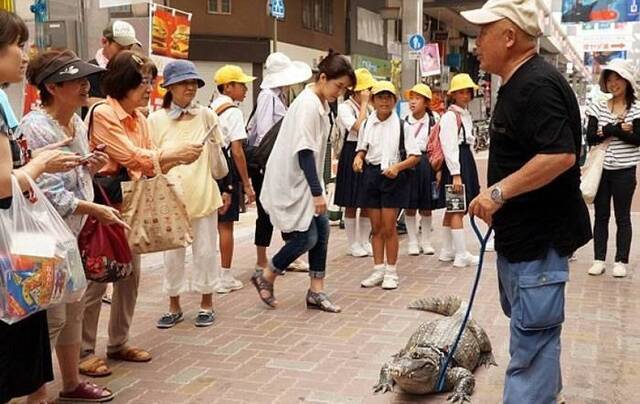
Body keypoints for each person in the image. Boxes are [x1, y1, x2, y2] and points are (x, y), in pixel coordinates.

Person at [462, 0, 591, 402]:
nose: (476, 43)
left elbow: (559, 155)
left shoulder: (536, 84)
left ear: (510, 36)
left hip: (539, 243)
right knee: (533, 334)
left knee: (531, 345)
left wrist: (497, 192)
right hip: (522, 244)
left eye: (483, 33)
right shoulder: (519, 83)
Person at [80, 51, 203, 376]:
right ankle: (83, 351)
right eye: (144, 81)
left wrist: (160, 158)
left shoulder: (141, 117)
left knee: (130, 278)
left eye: (151, 81)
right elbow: (133, 157)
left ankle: (118, 342)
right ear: (124, 82)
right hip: (104, 208)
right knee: (97, 279)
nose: (150, 88)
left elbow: (146, 158)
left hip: (131, 206)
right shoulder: (103, 113)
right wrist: (172, 156)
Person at [20, 49, 122, 402]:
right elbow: (45, 192)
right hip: (43, 237)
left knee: (73, 310)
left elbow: (72, 174)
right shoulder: (34, 128)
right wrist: (94, 209)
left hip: (71, 235)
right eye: (75, 80)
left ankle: (70, 382)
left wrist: (90, 164)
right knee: (50, 318)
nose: (84, 85)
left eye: (84, 79)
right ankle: (37, 393)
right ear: (51, 87)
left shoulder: (76, 121)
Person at [0, 10, 86, 404]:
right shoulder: (23, 117)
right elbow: (3, 182)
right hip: (11, 242)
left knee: (35, 329)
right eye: (18, 45)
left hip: (18, 238)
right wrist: (39, 165)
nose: (24, 55)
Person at [250, 50, 355, 312]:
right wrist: (317, 192)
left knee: (322, 231)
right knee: (305, 238)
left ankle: (315, 291)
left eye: (343, 89)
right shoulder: (308, 104)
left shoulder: (317, 102)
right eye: (338, 86)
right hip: (294, 182)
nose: (339, 93)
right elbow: (305, 151)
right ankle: (267, 274)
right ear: (322, 78)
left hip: (303, 182)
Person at [148, 60, 228, 328]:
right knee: (172, 256)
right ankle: (174, 305)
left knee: (205, 251)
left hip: (203, 194)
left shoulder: (207, 116)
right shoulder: (155, 120)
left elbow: (219, 159)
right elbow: (150, 159)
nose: (190, 87)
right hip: (170, 200)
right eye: (184, 82)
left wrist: (226, 189)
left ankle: (207, 303)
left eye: (193, 82)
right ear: (169, 86)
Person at [248, 52, 312, 274]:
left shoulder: (280, 96)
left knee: (285, 206)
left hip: (277, 160)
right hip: (267, 162)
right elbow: (266, 132)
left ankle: (289, 254)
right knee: (265, 211)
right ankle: (261, 260)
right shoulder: (268, 97)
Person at [353, 81, 421, 290]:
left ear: (394, 101)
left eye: (388, 97)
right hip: (371, 175)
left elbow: (415, 156)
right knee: (376, 228)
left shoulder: (403, 126)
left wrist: (397, 168)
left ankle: (391, 271)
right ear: (373, 100)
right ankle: (377, 269)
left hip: (392, 176)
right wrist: (359, 157)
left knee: (389, 226)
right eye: (380, 97)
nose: (384, 101)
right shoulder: (367, 123)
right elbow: (362, 148)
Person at [585, 59, 640, 278]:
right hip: (601, 171)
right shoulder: (597, 106)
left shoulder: (636, 108)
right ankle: (599, 259)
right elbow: (590, 137)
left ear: (626, 80)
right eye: (609, 79)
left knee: (623, 216)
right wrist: (618, 129)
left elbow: (637, 139)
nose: (613, 83)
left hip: (625, 170)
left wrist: (608, 130)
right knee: (601, 215)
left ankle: (621, 260)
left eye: (618, 78)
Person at [210, 65, 257, 293]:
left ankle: (209, 274)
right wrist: (247, 184)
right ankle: (225, 277)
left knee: (209, 224)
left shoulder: (209, 108)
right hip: (225, 170)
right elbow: (237, 150)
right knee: (225, 225)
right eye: (241, 85)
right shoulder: (234, 112)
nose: (245, 89)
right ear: (228, 87)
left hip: (207, 171)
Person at [437, 74, 481, 267]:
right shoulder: (450, 117)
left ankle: (447, 251)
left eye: (468, 92)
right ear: (453, 94)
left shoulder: (464, 114)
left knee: (453, 207)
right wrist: (456, 173)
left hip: (464, 161)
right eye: (461, 92)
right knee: (458, 208)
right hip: (456, 163)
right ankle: (461, 254)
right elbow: (449, 146)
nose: (465, 95)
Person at [335, 68, 375, 257]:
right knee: (351, 201)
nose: (368, 93)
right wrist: (365, 104)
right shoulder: (344, 107)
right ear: (357, 91)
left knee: (367, 200)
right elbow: (359, 128)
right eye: (366, 89)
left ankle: (364, 240)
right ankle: (352, 244)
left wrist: (367, 105)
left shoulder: (370, 108)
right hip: (351, 151)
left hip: (368, 152)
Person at [402, 83, 439, 256]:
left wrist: (438, 169)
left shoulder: (434, 120)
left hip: (426, 162)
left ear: (426, 102)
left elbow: (439, 145)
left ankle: (426, 241)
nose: (412, 102)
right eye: (411, 98)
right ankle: (412, 241)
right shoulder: (403, 121)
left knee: (426, 204)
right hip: (408, 163)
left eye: (417, 98)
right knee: (409, 204)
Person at [83, 20, 142, 116]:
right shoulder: (90, 70)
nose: (125, 52)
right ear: (104, 41)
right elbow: (92, 103)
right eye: (121, 48)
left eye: (129, 48)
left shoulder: (133, 69)